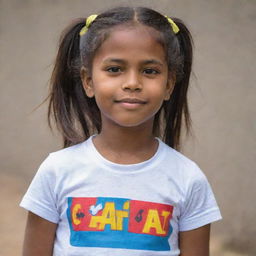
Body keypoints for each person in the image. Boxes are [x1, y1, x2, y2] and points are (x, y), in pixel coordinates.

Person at [20, 6, 222, 256]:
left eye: (150, 71)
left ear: (169, 85)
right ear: (88, 81)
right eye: (115, 69)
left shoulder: (188, 179)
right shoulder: (57, 171)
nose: (132, 83)